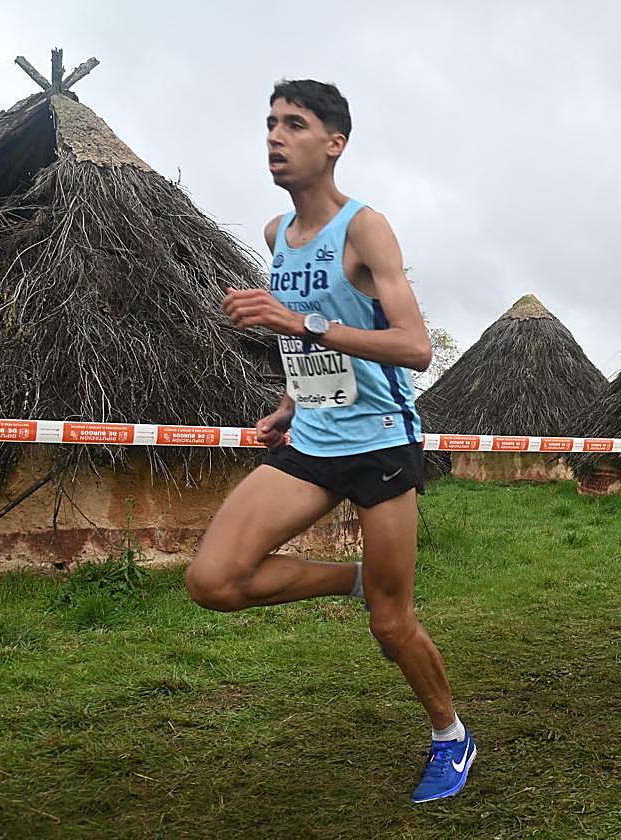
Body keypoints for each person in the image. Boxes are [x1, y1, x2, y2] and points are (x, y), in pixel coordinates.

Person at [184, 80, 474, 804]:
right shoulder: (275, 235)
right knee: (213, 581)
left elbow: (414, 347)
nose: (274, 137)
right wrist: (290, 402)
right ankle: (353, 579)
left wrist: (299, 324)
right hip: (312, 440)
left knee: (392, 624)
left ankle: (450, 734)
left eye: (294, 124)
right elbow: (307, 342)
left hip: (380, 445)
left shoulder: (365, 228)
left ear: (334, 143)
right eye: (270, 124)